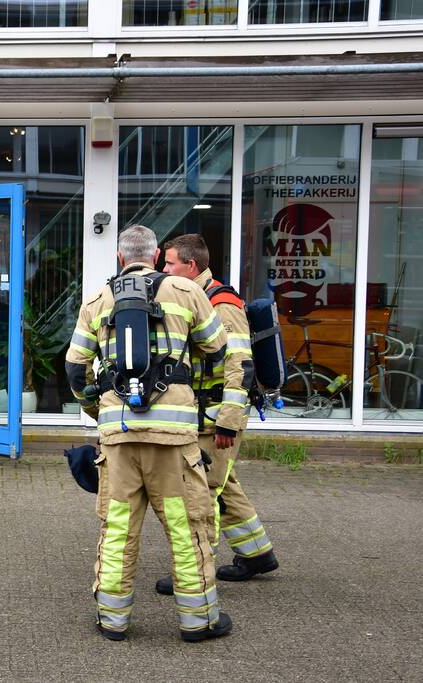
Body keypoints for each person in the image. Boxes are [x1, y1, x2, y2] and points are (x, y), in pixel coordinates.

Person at [65, 224, 236, 642]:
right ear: (157, 254)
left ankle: (112, 620)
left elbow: (74, 368)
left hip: (118, 440)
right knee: (185, 527)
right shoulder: (187, 291)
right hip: (174, 441)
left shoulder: (97, 299)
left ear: (121, 258)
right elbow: (219, 349)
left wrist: (98, 409)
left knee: (118, 527)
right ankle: (199, 623)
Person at [156, 234, 278, 593]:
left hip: (216, 419)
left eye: (170, 263)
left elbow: (240, 364)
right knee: (224, 485)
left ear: (190, 266)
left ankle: (193, 574)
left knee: (202, 494)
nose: (164, 270)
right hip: (203, 416)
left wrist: (229, 420)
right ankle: (257, 553)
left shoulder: (221, 303)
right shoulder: (192, 297)